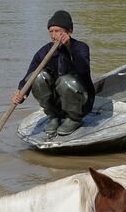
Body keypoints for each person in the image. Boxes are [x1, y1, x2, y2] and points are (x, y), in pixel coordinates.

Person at [12, 10, 95, 138]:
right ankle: (53, 116)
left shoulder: (80, 47)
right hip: (58, 104)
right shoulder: (44, 51)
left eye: (57, 31)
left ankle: (73, 119)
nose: (54, 35)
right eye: (51, 31)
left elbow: (83, 69)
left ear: (69, 32)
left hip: (80, 103)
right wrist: (21, 92)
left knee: (65, 81)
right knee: (38, 77)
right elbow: (30, 75)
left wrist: (69, 47)